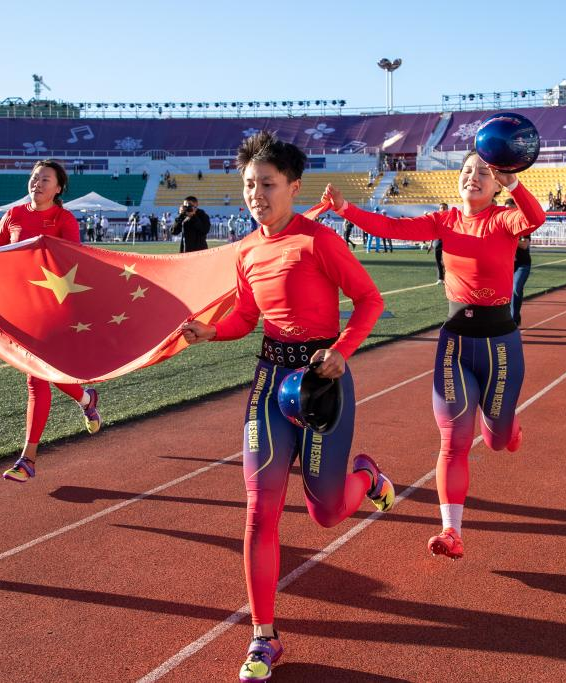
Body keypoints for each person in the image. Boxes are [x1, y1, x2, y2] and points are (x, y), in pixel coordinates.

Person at [181, 132, 393, 682]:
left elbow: (370, 301)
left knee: (325, 511)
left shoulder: (320, 241)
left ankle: (366, 478)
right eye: (249, 184)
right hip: (271, 382)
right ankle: (264, 636)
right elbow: (246, 319)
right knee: (260, 509)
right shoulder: (247, 250)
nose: (256, 194)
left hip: (323, 382)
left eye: (267, 184)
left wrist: (342, 353)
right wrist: (210, 331)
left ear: (293, 187)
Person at [321, 147, 546, 561]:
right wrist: (345, 208)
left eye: (483, 172)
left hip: (501, 347)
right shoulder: (444, 221)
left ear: (497, 183)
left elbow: (535, 218)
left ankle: (508, 427)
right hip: (455, 344)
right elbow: (390, 228)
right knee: (453, 441)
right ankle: (451, 532)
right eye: (466, 170)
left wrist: (514, 181)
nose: (472, 177)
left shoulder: (503, 219)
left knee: (496, 440)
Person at [0, 160, 103, 483]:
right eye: (34, 178)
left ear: (58, 188)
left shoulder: (64, 219)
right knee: (47, 374)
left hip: (53, 310)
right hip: (20, 309)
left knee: (36, 379)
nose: (37, 184)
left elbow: (73, 260)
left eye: (45, 180)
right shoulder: (13, 215)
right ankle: (86, 398)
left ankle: (28, 459)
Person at [430, 202, 448, 283]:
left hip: (447, 242)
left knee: (447, 261)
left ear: (447, 209)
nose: (443, 209)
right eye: (441, 207)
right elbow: (432, 232)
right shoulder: (436, 219)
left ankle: (448, 278)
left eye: (444, 207)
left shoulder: (450, 218)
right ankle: (440, 278)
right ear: (439, 209)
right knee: (438, 261)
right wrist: (431, 244)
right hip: (437, 242)